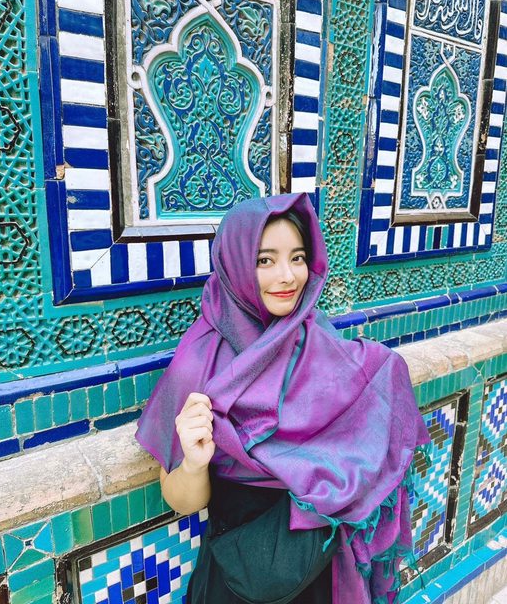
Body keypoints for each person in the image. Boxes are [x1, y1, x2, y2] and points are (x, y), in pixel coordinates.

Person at [135, 193, 430, 603]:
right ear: (236, 264)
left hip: (321, 567)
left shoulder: (318, 338)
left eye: (298, 257)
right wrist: (193, 464)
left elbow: (368, 403)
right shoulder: (198, 364)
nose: (287, 276)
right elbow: (181, 501)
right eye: (265, 260)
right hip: (243, 573)